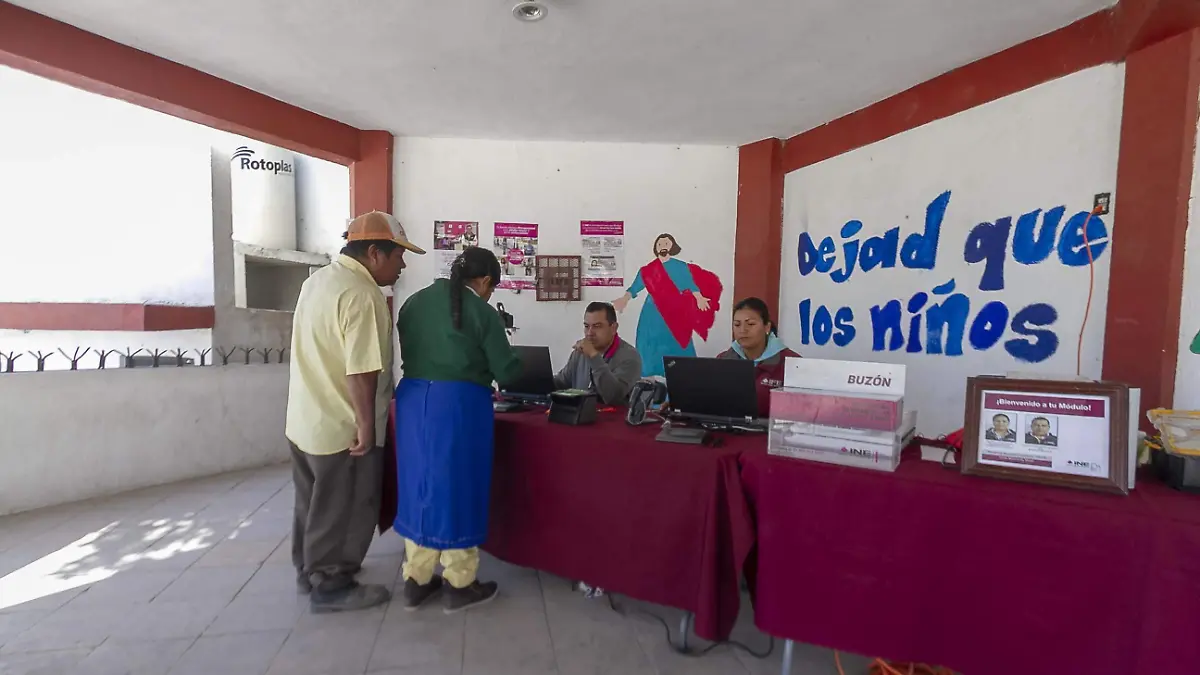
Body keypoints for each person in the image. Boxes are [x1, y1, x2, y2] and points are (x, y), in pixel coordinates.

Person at [285, 211, 424, 613]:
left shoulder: (318, 281)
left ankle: (308, 570)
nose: (402, 265)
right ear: (375, 253)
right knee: (344, 506)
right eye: (399, 256)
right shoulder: (362, 294)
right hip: (343, 429)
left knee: (311, 503)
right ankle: (331, 583)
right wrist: (366, 427)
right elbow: (361, 371)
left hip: (306, 421)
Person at [394, 247, 523, 613]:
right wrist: (515, 364)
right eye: (492, 288)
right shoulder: (482, 313)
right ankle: (459, 583)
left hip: (412, 403)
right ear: (485, 281)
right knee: (458, 489)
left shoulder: (414, 303)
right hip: (458, 407)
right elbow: (507, 372)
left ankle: (416, 580)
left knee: (420, 487)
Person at [613, 233, 722, 377]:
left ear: (672, 246)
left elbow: (689, 283)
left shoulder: (680, 266)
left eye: (666, 243)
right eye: (659, 244)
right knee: (650, 343)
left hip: (675, 310)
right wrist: (624, 299)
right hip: (652, 312)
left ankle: (683, 376)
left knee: (677, 342)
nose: (662, 246)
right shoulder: (647, 269)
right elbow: (635, 287)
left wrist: (699, 298)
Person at [717, 298, 800, 417]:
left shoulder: (792, 364)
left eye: (750, 324)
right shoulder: (723, 360)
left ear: (767, 327)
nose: (743, 330)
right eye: (737, 325)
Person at [553, 302, 642, 405]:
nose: (590, 333)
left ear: (613, 328)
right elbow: (561, 383)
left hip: (613, 415)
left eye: (597, 326)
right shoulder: (579, 354)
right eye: (587, 326)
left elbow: (612, 396)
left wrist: (593, 356)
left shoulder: (630, 357)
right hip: (580, 413)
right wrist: (540, 378)